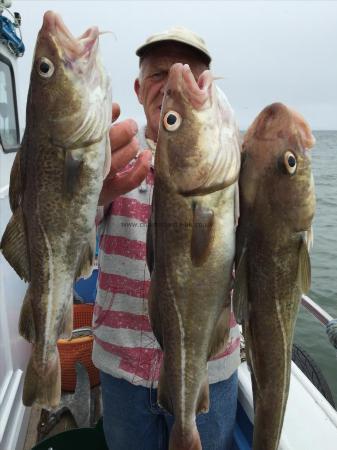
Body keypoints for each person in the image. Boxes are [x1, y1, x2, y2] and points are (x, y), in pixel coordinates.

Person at [93, 26, 241, 450]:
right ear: (138, 88)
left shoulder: (233, 165)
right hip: (124, 371)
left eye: (191, 75)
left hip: (210, 368)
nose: (173, 83)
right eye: (160, 74)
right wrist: (86, 192)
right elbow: (75, 241)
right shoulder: (112, 154)